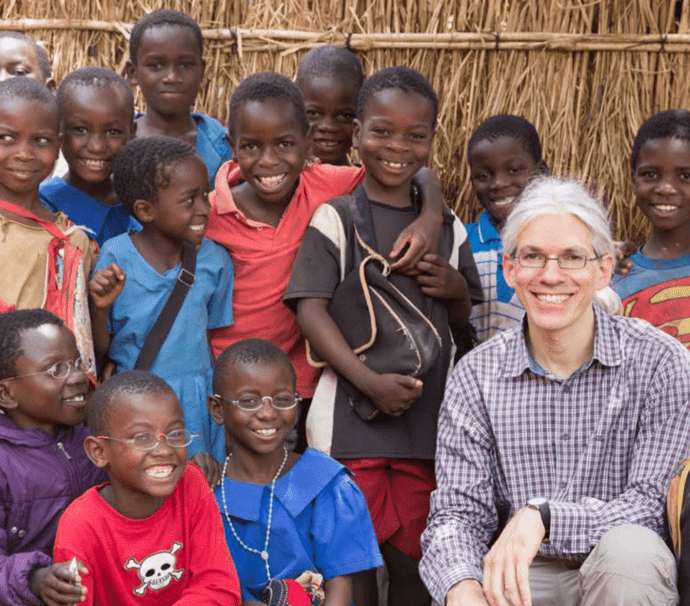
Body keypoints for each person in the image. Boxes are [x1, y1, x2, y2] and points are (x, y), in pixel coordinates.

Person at [421, 175, 690, 606]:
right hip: (523, 571)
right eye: (532, 257)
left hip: (621, 568)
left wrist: (544, 517)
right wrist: (461, 586)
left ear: (603, 269)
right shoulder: (476, 375)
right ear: (510, 270)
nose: (551, 276)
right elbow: (457, 512)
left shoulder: (660, 361)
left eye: (571, 258)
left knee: (630, 553)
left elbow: (652, 505)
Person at [285, 66, 483, 606]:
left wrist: (454, 289)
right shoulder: (337, 218)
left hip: (427, 430)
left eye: (415, 135)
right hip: (349, 425)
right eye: (382, 131)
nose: (397, 146)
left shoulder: (448, 228)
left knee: (416, 569)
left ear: (431, 141)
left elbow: (465, 321)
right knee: (350, 570)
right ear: (356, 136)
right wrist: (368, 382)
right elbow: (309, 310)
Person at [206, 71, 443, 453]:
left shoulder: (326, 184)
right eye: (252, 146)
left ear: (308, 143)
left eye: (284, 144)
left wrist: (430, 217)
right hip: (231, 390)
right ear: (232, 146)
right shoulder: (211, 212)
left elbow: (415, 173)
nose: (269, 162)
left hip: (300, 387)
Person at [89, 136, 233, 463]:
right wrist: (99, 308)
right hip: (133, 401)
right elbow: (101, 349)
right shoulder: (116, 256)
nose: (204, 208)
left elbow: (209, 340)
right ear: (146, 210)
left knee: (200, 487)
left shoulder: (215, 261)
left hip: (197, 403)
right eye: (189, 200)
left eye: (204, 195)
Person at [207, 338, 382, 605]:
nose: (268, 413)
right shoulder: (207, 490)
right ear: (217, 409)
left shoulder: (325, 483)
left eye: (282, 399)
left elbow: (341, 587)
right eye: (248, 401)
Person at [53, 370, 241, 606]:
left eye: (174, 434)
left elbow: (219, 584)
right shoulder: (80, 525)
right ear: (99, 452)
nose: (164, 450)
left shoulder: (190, 483)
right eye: (142, 437)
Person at [0, 309, 104, 606]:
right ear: (6, 394)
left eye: (76, 363)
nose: (77, 377)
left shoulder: (93, 441)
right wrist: (34, 578)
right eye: (55, 369)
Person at [0, 77, 95, 366]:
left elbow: (82, 339)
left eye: (40, 140)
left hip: (45, 399)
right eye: (6, 138)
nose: (25, 153)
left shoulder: (72, 239)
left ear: (59, 145)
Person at [125, 9, 232, 189]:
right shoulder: (116, 143)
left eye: (185, 65)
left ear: (202, 70)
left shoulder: (225, 146)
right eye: (156, 65)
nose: (172, 77)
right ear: (133, 73)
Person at [611, 110, 690, 349]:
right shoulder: (615, 277)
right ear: (633, 178)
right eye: (651, 174)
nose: (666, 188)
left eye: (686, 175)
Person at [465, 115, 547, 341]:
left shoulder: (559, 244)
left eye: (514, 170)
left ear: (541, 172)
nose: (498, 183)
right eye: (483, 175)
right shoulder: (461, 241)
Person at [40, 66, 138, 247]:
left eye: (113, 132)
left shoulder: (141, 207)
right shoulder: (42, 206)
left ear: (131, 134)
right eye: (80, 130)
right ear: (58, 130)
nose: (97, 146)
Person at [295, 45, 363, 166]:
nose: (328, 127)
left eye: (344, 115)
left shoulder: (370, 183)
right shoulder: (275, 182)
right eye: (313, 113)